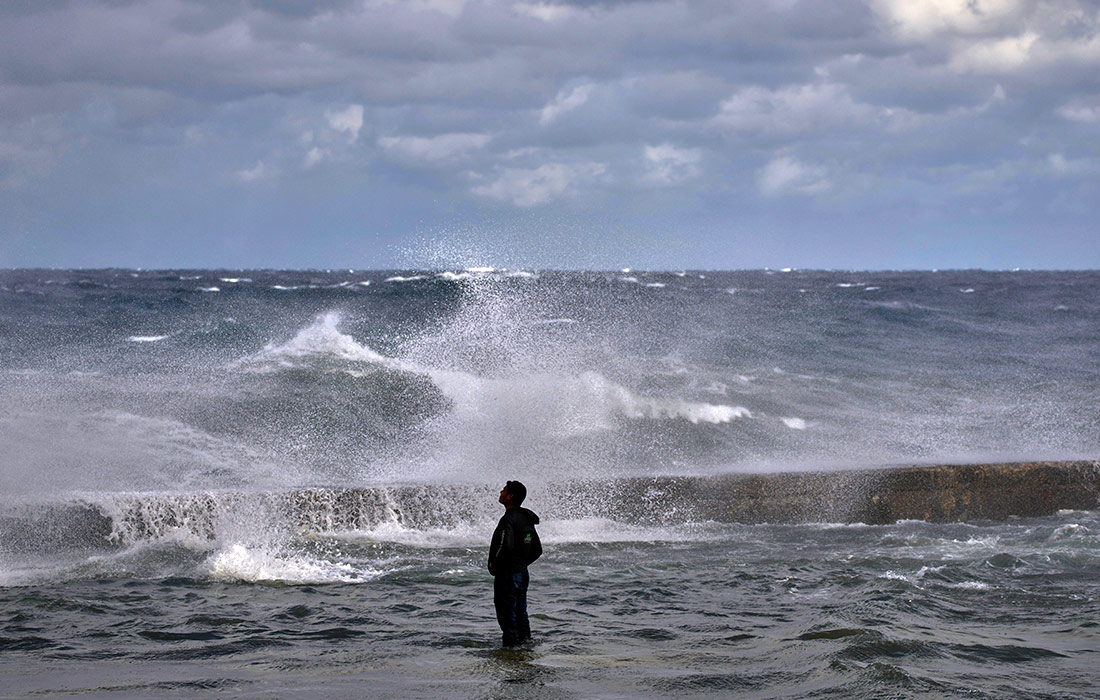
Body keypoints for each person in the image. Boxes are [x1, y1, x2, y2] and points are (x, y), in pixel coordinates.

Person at [487, 480, 542, 646]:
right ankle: (525, 647)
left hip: (507, 574)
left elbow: (506, 545)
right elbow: (537, 549)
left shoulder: (508, 519)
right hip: (521, 573)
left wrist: (494, 564)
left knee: (506, 615)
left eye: (504, 490)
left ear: (510, 496)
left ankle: (510, 652)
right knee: (520, 612)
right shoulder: (525, 519)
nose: (500, 492)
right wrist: (521, 563)